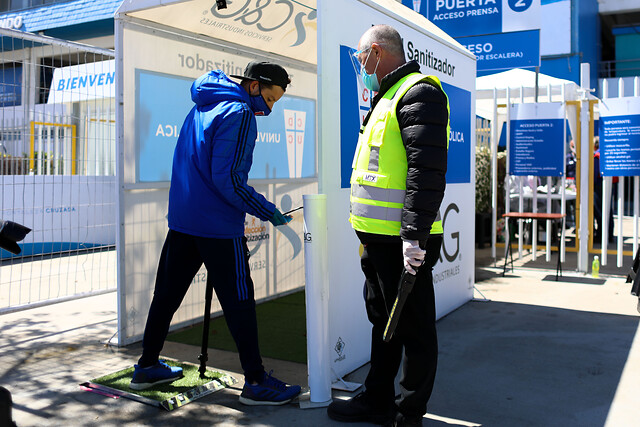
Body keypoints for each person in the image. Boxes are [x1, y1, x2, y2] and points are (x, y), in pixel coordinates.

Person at [130, 61, 301, 406]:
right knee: (240, 303)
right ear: (254, 86)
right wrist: (269, 212)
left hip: (183, 220)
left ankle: (147, 365)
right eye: (269, 99)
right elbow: (230, 181)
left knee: (166, 295)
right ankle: (255, 381)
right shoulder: (240, 113)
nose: (269, 109)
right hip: (219, 228)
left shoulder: (203, 105)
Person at [327, 25, 449, 427]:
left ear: (376, 52)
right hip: (377, 241)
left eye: (361, 58)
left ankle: (409, 412)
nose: (360, 67)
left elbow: (426, 173)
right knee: (383, 319)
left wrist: (413, 236)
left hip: (403, 242)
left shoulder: (419, 93)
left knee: (414, 328)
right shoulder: (386, 97)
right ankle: (378, 399)